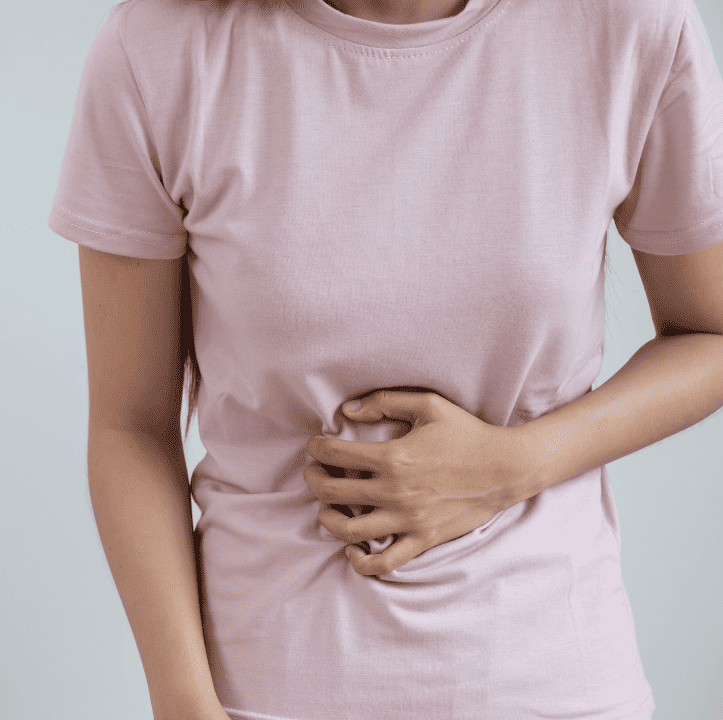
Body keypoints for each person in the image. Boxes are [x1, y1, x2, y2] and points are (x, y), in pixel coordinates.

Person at [47, 0, 723, 717]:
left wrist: (515, 465)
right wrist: (183, 703)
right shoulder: (158, 51)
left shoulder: (629, 25)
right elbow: (131, 428)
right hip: (262, 691)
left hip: (554, 683)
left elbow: (708, 335)